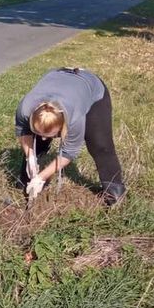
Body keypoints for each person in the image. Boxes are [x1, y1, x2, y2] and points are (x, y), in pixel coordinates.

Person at [15, 67, 126, 206]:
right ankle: (26, 182)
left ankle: (114, 192)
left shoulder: (74, 119)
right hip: (58, 78)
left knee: (100, 145)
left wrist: (42, 177)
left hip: (90, 89)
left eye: (52, 135)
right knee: (36, 142)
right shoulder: (25, 109)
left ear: (63, 127)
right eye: (39, 132)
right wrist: (30, 156)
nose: (44, 138)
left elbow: (68, 153)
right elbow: (24, 132)